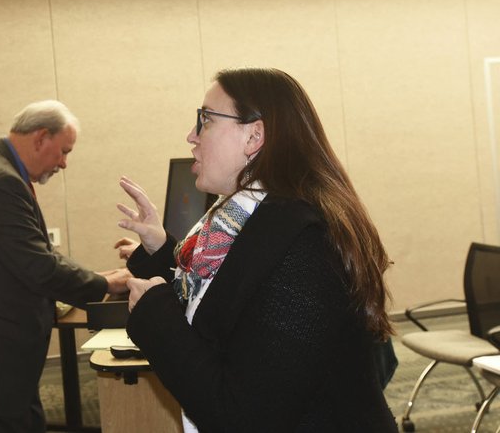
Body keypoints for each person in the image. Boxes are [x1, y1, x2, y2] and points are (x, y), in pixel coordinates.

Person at [116, 67, 397, 432]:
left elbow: (242, 417)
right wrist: (158, 250)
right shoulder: (246, 221)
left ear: (254, 137)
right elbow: (219, 305)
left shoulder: (304, 245)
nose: (192, 136)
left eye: (205, 120)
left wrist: (155, 316)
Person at [0, 100, 131, 433]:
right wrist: (106, 286)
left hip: (3, 339)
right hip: (0, 344)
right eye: (64, 151)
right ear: (40, 137)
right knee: (10, 422)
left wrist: (101, 278)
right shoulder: (0, 181)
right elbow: (39, 266)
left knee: (27, 419)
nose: (63, 163)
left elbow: (32, 255)